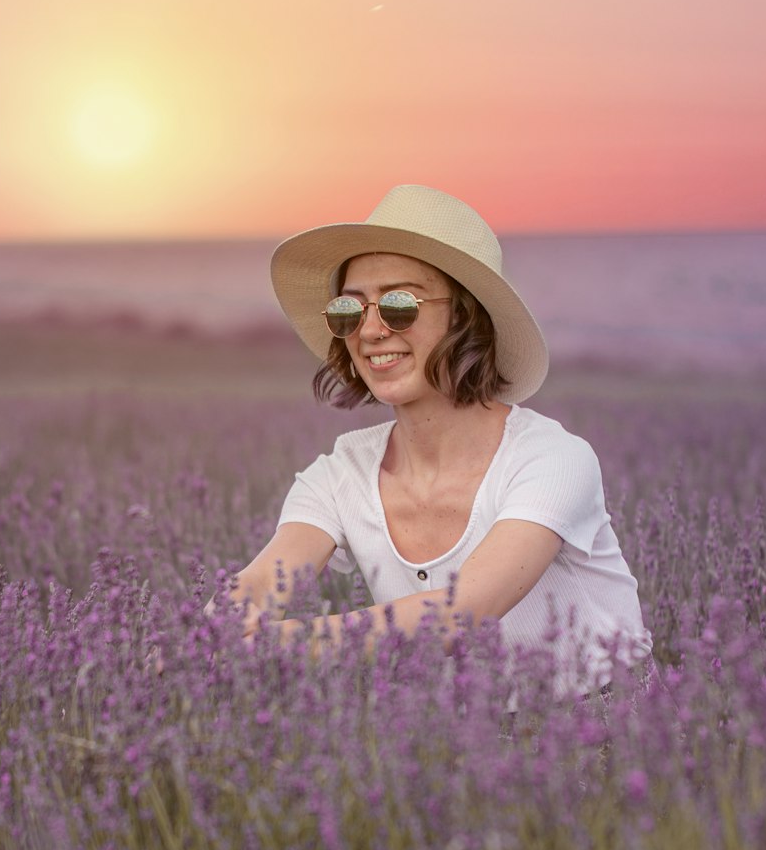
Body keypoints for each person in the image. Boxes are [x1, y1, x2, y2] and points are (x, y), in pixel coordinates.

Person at [222, 183, 652, 697]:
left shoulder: (553, 459)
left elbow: (463, 612)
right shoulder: (340, 474)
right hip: (447, 743)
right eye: (350, 310)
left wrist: (280, 644)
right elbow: (263, 581)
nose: (371, 331)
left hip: (606, 740)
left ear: (465, 317)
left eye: (399, 305)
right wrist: (198, 637)